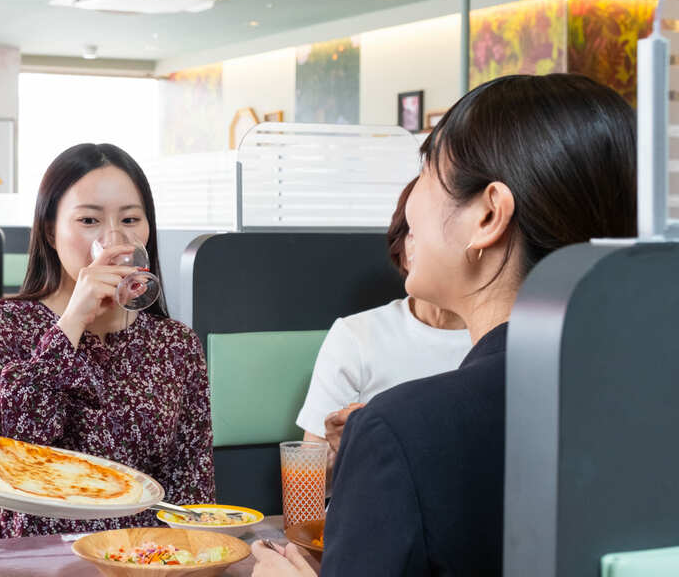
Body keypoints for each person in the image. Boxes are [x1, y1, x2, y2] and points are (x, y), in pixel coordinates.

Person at [252, 73, 636, 576]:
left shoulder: (400, 431)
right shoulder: (642, 391)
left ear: (488, 216)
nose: (410, 202)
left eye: (427, 171)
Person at [0, 143, 216, 538]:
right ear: (50, 230)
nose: (115, 240)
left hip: (141, 554)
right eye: (89, 220)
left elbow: (192, 487)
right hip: (32, 551)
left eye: (130, 219)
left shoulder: (175, 343)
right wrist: (72, 322)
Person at [297, 177, 470, 470]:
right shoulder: (356, 336)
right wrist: (342, 452)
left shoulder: (506, 340)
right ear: (400, 249)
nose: (417, 246)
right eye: (410, 234)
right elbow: (308, 476)